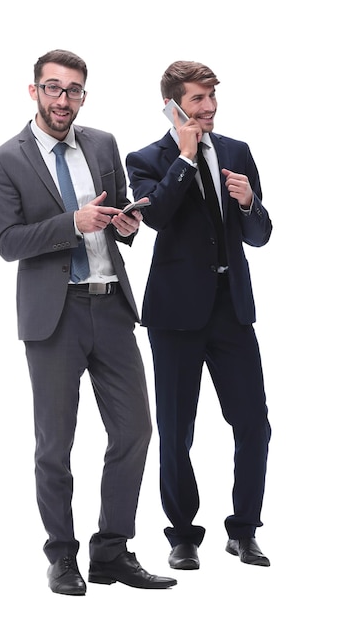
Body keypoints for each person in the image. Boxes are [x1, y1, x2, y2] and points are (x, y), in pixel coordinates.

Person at [0, 49, 176, 595]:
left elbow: (116, 217)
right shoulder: (5, 160)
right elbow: (6, 243)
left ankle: (112, 551)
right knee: (55, 444)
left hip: (111, 305)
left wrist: (126, 224)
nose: (63, 100)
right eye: (53, 88)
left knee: (136, 429)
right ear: (34, 92)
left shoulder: (102, 143)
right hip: (54, 317)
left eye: (73, 91)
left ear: (83, 96)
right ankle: (62, 557)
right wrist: (71, 222)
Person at [126, 60, 272, 570]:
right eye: (197, 100)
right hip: (174, 315)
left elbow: (261, 234)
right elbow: (156, 218)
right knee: (176, 428)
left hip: (231, 309)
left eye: (212, 97)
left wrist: (250, 202)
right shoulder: (145, 158)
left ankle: (245, 530)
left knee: (254, 422)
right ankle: (183, 534)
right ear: (172, 105)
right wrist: (185, 161)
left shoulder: (236, 151)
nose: (208, 107)